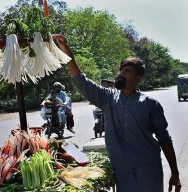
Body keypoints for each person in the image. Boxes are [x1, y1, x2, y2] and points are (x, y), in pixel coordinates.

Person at [52, 34, 181, 192]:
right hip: (122, 174)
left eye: (127, 71)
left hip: (148, 172)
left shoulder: (150, 104)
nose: (121, 73)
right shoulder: (107, 98)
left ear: (138, 78)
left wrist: (175, 173)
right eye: (121, 69)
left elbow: (165, 140)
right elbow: (80, 79)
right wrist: (66, 49)